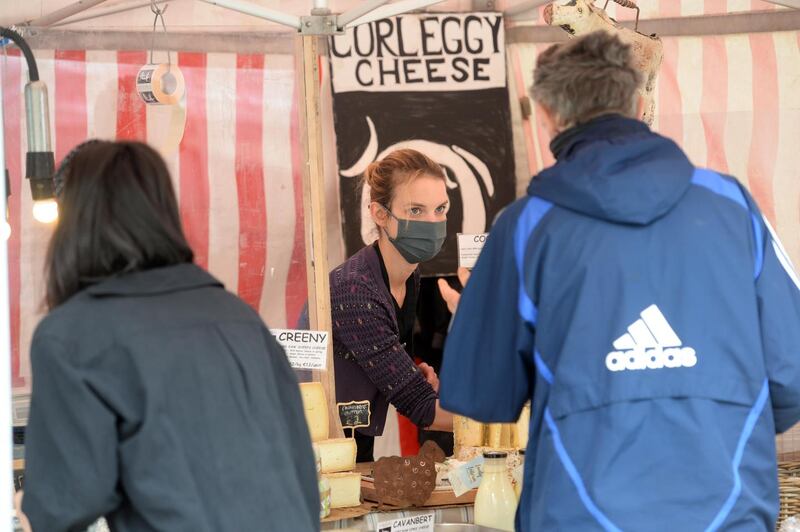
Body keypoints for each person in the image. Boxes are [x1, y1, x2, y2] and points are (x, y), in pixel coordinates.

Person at [439, 31, 800, 531]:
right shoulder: (733, 207)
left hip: (580, 513)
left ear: (545, 114)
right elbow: (792, 374)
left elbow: (481, 394)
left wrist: (475, 322)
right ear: (638, 100)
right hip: (728, 508)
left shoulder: (526, 227)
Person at [16, 141, 320, 532]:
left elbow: (62, 507)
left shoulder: (71, 336)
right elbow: (301, 475)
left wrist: (26, 508)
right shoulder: (240, 318)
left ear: (74, 225)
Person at [330, 148, 453, 462]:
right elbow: (420, 406)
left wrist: (409, 370)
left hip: (354, 438)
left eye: (440, 208)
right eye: (415, 210)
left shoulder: (409, 273)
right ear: (380, 214)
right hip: (316, 448)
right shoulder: (355, 288)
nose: (433, 222)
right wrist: (509, 421)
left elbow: (373, 354)